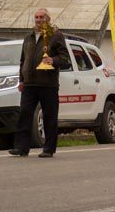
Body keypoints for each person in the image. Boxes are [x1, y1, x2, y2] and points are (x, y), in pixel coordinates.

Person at [11, 9, 71, 158]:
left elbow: (65, 59)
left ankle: (48, 148)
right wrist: (21, 80)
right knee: (24, 113)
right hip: (29, 84)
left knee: (49, 116)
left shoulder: (56, 36)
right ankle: (21, 147)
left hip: (48, 84)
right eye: (36, 17)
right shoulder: (28, 37)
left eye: (41, 17)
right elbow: (23, 61)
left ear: (48, 19)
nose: (38, 20)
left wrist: (53, 60)